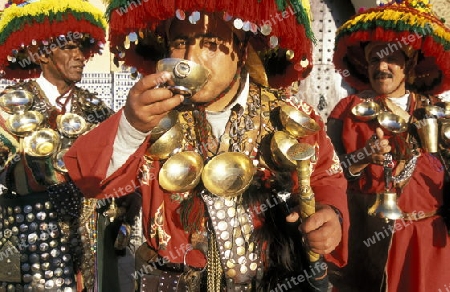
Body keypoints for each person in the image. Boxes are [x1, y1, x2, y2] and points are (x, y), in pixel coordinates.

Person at [65, 0, 349, 291]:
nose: (190, 59)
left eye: (211, 44)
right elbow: (91, 179)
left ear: (240, 51)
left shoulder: (291, 115)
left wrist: (330, 214)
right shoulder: (151, 114)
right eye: (180, 43)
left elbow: (326, 177)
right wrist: (131, 126)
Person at [327, 0, 450, 291]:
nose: (381, 67)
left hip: (431, 238)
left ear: (408, 65)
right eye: (373, 60)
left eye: (391, 59)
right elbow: (326, 174)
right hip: (374, 238)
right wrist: (362, 157)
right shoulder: (347, 110)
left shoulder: (435, 110)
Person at [0, 0, 117, 291]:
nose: (80, 57)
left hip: (90, 239)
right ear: (39, 55)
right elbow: (9, 171)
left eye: (82, 48)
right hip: (32, 237)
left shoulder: (96, 107)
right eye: (68, 48)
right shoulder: (11, 105)